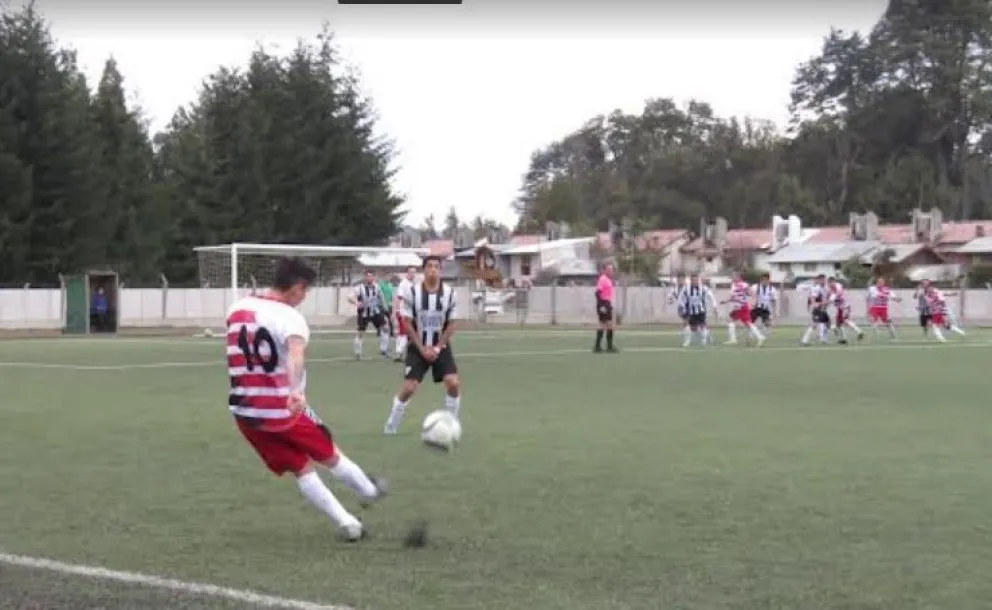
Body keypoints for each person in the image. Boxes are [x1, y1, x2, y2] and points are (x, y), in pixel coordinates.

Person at [226, 257, 385, 542]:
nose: (305, 296)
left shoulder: (238, 308)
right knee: (329, 453)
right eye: (306, 290)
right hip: (282, 409)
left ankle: (348, 524)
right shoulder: (289, 317)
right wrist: (295, 391)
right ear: (297, 287)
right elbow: (295, 353)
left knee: (300, 468)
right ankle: (370, 491)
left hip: (245, 413)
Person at [384, 255, 461, 435]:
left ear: (440, 270)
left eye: (436, 266)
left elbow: (452, 324)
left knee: (453, 383)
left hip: (440, 346)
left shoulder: (450, 293)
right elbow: (407, 323)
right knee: (409, 388)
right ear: (424, 270)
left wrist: (437, 347)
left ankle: (452, 424)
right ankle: (391, 425)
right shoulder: (412, 292)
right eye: (429, 266)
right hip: (417, 345)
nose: (433, 269)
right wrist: (421, 348)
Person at [348, 270, 389, 360]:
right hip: (364, 313)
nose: (369, 278)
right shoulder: (360, 287)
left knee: (385, 328)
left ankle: (383, 351)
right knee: (361, 332)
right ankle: (358, 353)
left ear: (374, 277)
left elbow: (381, 297)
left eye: (371, 276)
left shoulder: (377, 286)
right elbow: (350, 297)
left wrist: (385, 308)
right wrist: (356, 302)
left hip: (375, 311)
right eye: (368, 276)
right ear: (365, 277)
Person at [723, 271, 764, 346]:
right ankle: (760, 337)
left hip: (740, 307)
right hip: (742, 306)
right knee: (748, 323)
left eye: (733, 276)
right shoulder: (741, 285)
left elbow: (751, 293)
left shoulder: (739, 285)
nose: (732, 278)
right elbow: (735, 297)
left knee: (731, 320)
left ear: (738, 277)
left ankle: (733, 339)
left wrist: (753, 302)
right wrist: (726, 301)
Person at [677, 273, 718, 347]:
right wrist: (681, 306)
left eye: (696, 280)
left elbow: (711, 296)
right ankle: (706, 335)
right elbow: (681, 297)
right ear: (690, 280)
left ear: (698, 280)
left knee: (702, 325)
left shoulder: (703, 288)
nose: (694, 282)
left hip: (701, 309)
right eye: (693, 280)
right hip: (690, 310)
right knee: (693, 328)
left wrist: (714, 306)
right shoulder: (686, 288)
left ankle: (702, 341)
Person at [827, 277, 863, 343]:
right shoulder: (831, 290)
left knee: (845, 320)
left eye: (831, 282)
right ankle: (844, 338)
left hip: (845, 306)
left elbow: (839, 293)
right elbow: (830, 298)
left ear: (834, 282)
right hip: (840, 308)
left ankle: (859, 332)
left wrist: (832, 297)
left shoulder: (838, 286)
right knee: (839, 323)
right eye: (829, 283)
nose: (830, 284)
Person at [393, 266, 417, 362]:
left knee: (408, 333)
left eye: (414, 272)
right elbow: (399, 297)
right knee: (404, 332)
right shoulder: (403, 284)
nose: (413, 274)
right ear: (407, 273)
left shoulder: (413, 284)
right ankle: (399, 353)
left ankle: (402, 353)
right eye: (411, 272)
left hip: (411, 312)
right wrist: (397, 311)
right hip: (404, 312)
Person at [593, 262, 617, 353]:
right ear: (605, 270)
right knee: (608, 324)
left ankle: (599, 346)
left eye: (611, 270)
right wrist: (601, 305)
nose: (611, 271)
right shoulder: (603, 279)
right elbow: (597, 292)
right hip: (603, 303)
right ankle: (606, 346)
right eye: (609, 270)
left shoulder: (608, 280)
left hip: (607, 303)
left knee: (604, 325)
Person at [800, 274, 830, 345]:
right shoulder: (816, 288)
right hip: (817, 309)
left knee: (827, 324)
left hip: (823, 309)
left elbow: (826, 298)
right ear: (819, 280)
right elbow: (812, 298)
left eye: (824, 279)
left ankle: (823, 339)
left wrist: (826, 303)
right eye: (822, 280)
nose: (823, 281)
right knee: (814, 324)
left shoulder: (826, 288)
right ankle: (805, 340)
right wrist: (815, 304)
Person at [377, 272, 396, 354]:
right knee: (384, 327)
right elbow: (380, 295)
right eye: (387, 276)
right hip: (382, 308)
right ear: (384, 276)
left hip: (390, 307)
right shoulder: (380, 285)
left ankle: (388, 347)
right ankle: (383, 348)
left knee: (391, 327)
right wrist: (384, 305)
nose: (388, 278)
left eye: (390, 276)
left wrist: (393, 308)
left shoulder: (390, 285)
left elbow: (393, 297)